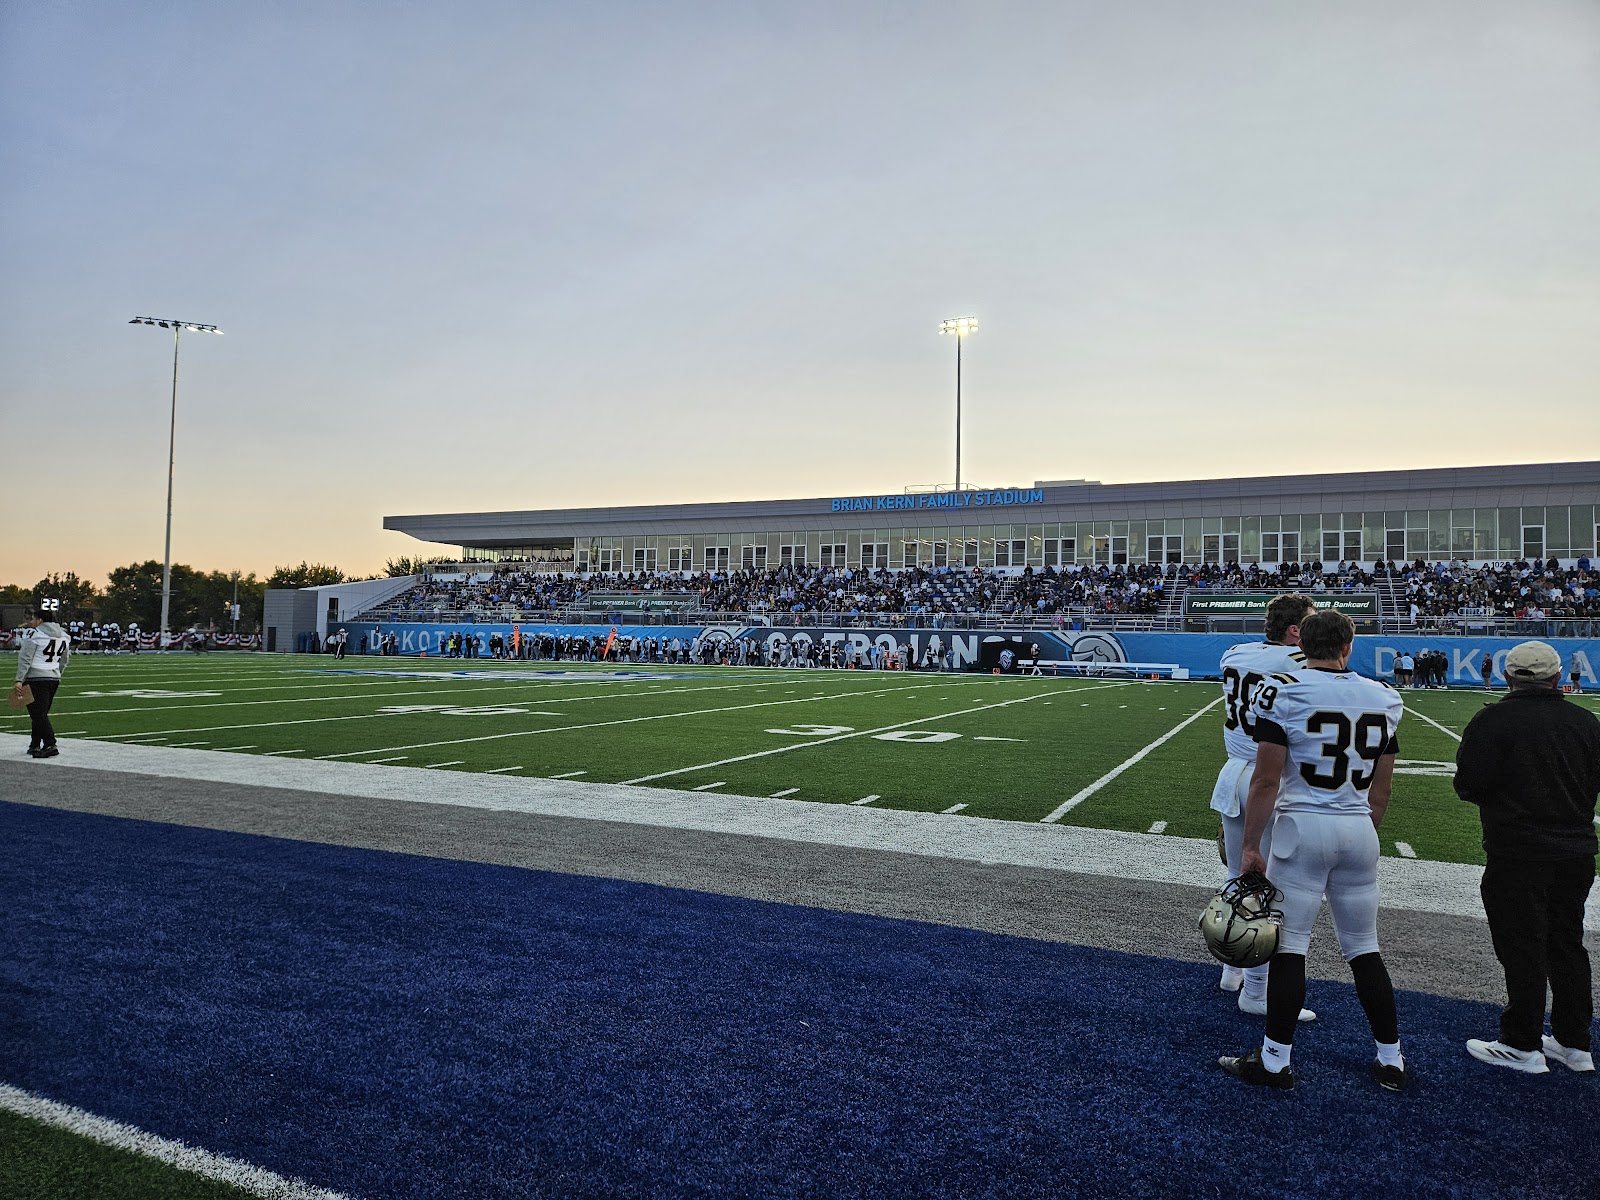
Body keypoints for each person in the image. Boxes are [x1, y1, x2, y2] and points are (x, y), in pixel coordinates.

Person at [1219, 609, 1408, 1091]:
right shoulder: (1385, 697)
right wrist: (1365, 832)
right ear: (1348, 646)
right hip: (1357, 828)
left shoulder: (1281, 690)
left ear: (1305, 645)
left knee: (1290, 946)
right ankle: (1391, 1059)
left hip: (1301, 827)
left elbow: (1264, 780)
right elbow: (1381, 790)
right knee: (1365, 948)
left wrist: (1250, 849)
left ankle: (1276, 1061)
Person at [1454, 640, 1599, 1074]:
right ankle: (1574, 1043)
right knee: (1567, 943)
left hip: (1517, 850)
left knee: (1522, 946)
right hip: (1575, 850)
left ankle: (1522, 1042)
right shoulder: (1586, 722)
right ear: (1558, 677)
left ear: (1508, 676)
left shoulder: (1494, 720)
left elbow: (1469, 786)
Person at [1209, 593, 1317, 1018]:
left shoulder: (1234, 654)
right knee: (1270, 886)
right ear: (1295, 632)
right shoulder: (1298, 664)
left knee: (1237, 875)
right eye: (1309, 623)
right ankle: (1256, 991)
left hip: (1233, 773)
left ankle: (1230, 968)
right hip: (1271, 779)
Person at [13, 602, 71, 759]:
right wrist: (56, 672)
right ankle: (35, 744)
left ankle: (50, 744)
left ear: (39, 620)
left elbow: (25, 658)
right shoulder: (64, 636)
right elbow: (64, 660)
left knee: (38, 714)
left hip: (36, 678)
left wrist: (19, 679)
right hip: (53, 678)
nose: (31, 622)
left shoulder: (35, 634)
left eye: (33, 619)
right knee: (40, 713)